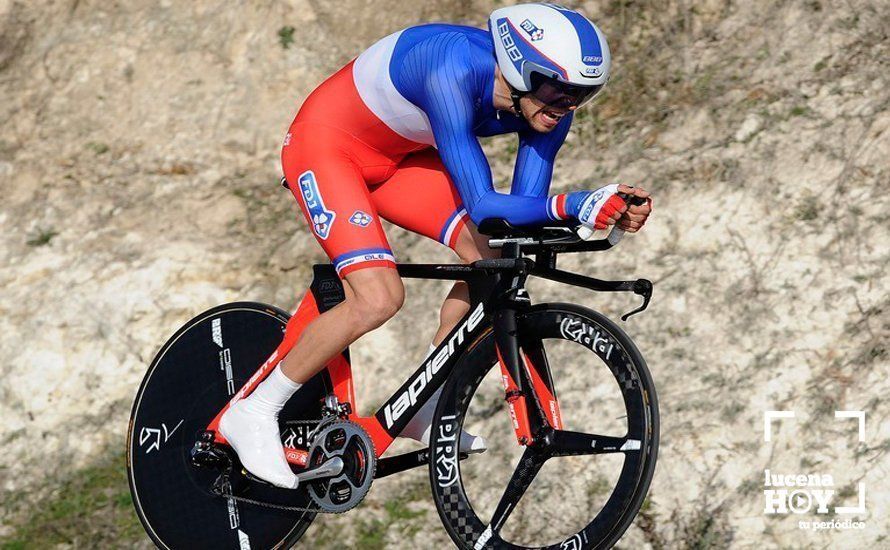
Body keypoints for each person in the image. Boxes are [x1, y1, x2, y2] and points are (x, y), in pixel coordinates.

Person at [220, 3, 653, 489]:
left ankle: (421, 407)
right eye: (558, 88)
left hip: (398, 160)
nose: (566, 105)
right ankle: (254, 411)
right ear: (518, 67)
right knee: (378, 297)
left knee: (496, 257)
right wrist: (575, 204)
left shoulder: (550, 111)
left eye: (583, 94)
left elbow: (517, 218)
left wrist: (599, 213)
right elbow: (487, 203)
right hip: (326, 147)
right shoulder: (450, 68)